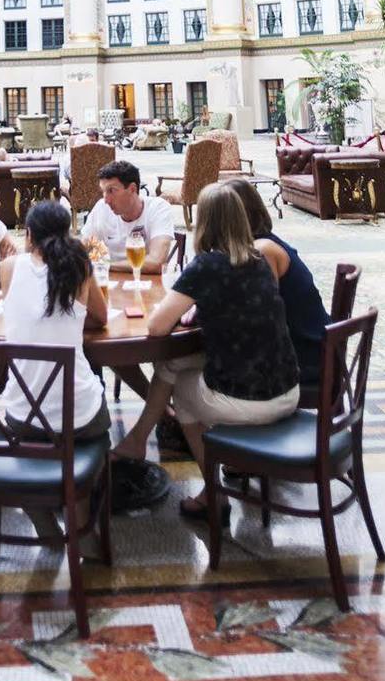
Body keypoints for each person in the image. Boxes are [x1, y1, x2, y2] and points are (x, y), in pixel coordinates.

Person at [113, 182, 300, 521]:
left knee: (183, 390)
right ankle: (138, 439)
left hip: (252, 402)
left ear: (204, 222)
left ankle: (213, 494)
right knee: (173, 362)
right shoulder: (260, 258)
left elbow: (156, 328)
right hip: (287, 388)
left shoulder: (208, 266)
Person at [0, 200, 110, 545]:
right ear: (68, 232)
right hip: (81, 415)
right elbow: (101, 318)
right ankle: (82, 531)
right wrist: (73, 317)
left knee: (30, 442)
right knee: (91, 432)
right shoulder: (79, 267)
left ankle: (45, 524)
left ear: (28, 235)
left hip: (23, 416)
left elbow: (20, 316)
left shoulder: (8, 269)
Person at [226, 177, 330, 389]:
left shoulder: (263, 250)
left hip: (306, 361)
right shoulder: (265, 242)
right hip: (311, 350)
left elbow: (263, 318)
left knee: (198, 372)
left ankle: (186, 419)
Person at [80, 159, 173, 273]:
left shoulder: (158, 208)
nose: (106, 200)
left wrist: (106, 265)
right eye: (103, 192)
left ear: (132, 189)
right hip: (110, 284)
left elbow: (157, 262)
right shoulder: (101, 208)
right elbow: (82, 252)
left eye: (111, 191)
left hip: (148, 285)